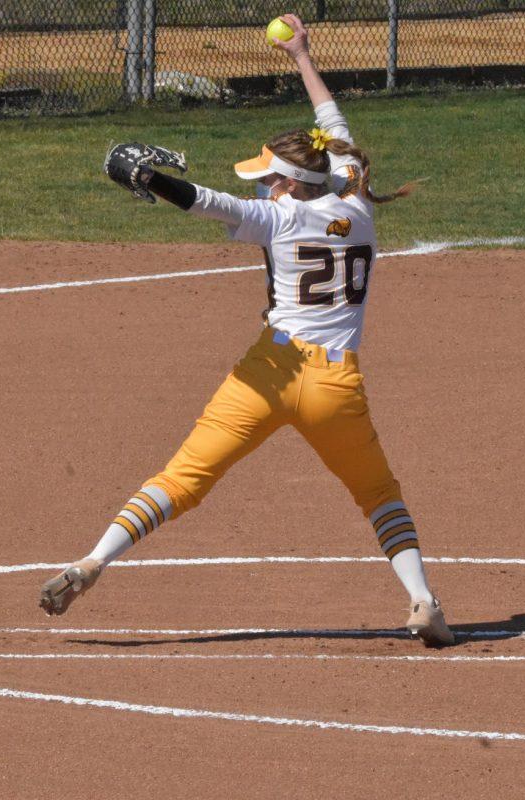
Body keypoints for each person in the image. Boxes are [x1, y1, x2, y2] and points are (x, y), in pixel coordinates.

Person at [39, 14, 454, 646]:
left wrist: (150, 178)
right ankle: (424, 601)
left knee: (182, 478)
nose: (261, 183)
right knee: (378, 494)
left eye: (267, 176)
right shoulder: (356, 199)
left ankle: (95, 559)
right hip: (335, 386)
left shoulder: (277, 219)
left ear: (289, 183)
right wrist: (303, 57)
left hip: (267, 373)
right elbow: (334, 126)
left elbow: (207, 201)